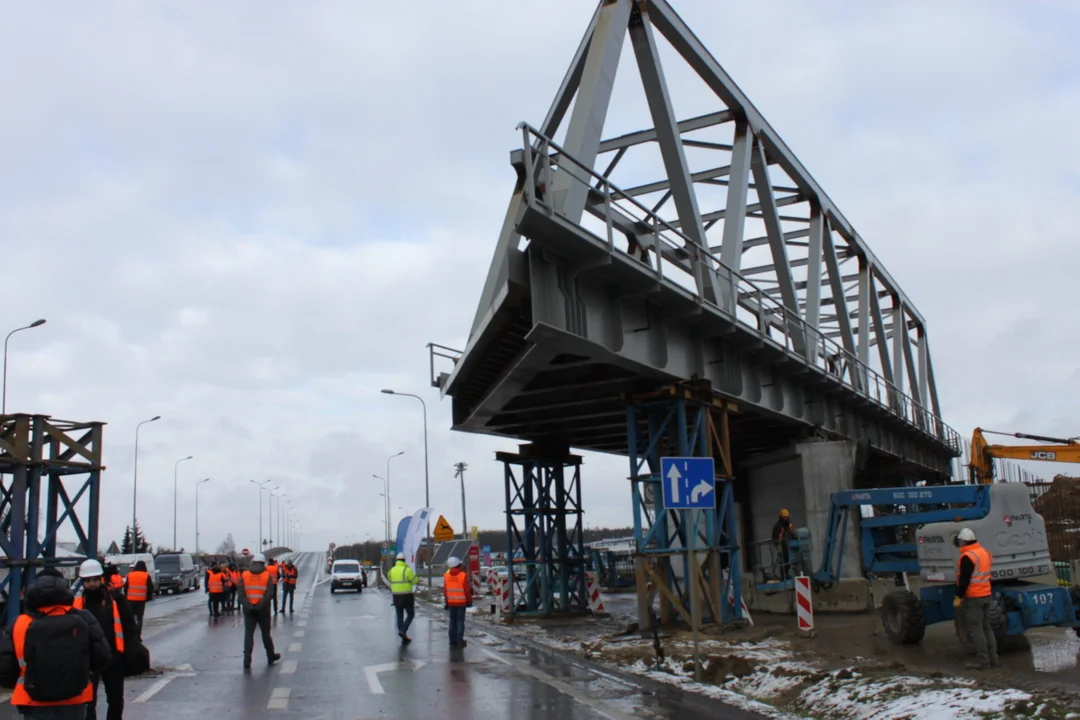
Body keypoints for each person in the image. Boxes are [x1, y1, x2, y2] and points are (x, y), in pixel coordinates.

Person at [0, 568, 111, 719]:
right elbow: (102, 657)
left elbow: (5, 669)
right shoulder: (83, 618)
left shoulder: (19, 623)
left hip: (32, 701)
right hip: (75, 698)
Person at [74, 559, 136, 720]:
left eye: (95, 579)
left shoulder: (116, 601)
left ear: (101, 579)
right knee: (88, 702)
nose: (92, 584)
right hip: (88, 662)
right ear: (83, 582)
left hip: (114, 658)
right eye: (88, 581)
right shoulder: (77, 604)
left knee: (115, 700)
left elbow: (129, 627)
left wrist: (129, 652)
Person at [954, 528, 1000, 669]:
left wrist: (959, 596)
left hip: (973, 597)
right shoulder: (984, 552)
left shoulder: (968, 557)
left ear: (963, 541)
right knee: (987, 627)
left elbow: (965, 580)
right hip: (986, 594)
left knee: (976, 629)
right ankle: (994, 660)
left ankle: (983, 662)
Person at [238, 554, 281, 670]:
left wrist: (248, 606)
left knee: (248, 635)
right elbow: (269, 594)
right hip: (263, 611)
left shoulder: (244, 575)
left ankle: (247, 660)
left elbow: (241, 594)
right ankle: (271, 656)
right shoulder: (267, 576)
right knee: (266, 634)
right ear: (263, 563)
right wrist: (259, 606)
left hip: (249, 611)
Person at [387, 553, 418, 644]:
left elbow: (390, 578)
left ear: (396, 561)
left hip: (396, 596)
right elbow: (414, 581)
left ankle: (402, 632)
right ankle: (403, 630)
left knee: (399, 615)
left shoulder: (391, 570)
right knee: (411, 614)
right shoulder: (407, 570)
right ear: (404, 560)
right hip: (407, 596)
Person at [443, 557, 472, 648]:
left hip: (451, 603)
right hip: (461, 603)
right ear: (458, 564)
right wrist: (469, 601)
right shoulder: (463, 576)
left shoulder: (446, 576)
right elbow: (467, 591)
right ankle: (460, 641)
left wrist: (447, 602)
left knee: (452, 622)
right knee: (460, 622)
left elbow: (445, 591)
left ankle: (452, 641)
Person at [124, 560, 153, 634]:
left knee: (130, 617)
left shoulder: (130, 575)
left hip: (130, 600)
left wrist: (126, 597)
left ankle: (131, 633)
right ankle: (138, 634)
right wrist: (148, 598)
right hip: (141, 601)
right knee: (139, 618)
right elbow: (150, 588)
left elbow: (126, 587)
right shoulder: (146, 576)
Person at [771, 509, 794, 579]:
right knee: (783, 562)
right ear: (781, 517)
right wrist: (778, 546)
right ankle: (783, 577)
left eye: (787, 517)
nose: (786, 519)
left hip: (787, 547)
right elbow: (775, 538)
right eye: (785, 517)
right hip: (781, 547)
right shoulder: (777, 527)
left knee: (788, 562)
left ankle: (786, 576)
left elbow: (791, 534)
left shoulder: (787, 526)